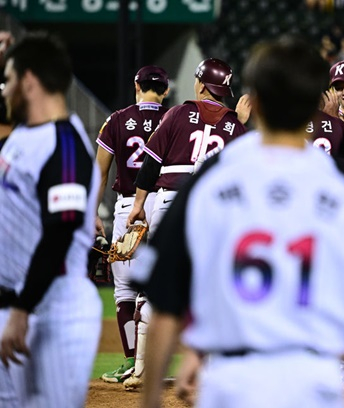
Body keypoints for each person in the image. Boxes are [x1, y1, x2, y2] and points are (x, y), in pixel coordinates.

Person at [135, 36, 344, 408]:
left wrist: (159, 390)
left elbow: (165, 304)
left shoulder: (212, 179)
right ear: (316, 105)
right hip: (313, 384)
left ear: (254, 102)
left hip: (231, 380)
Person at [123, 57, 245, 391]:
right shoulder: (235, 126)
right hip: (213, 210)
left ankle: (142, 371)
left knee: (155, 286)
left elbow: (151, 164)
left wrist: (138, 205)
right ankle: (212, 370)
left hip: (170, 204)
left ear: (201, 84)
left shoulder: (177, 113)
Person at [0, 32, 102, 407]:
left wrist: (22, 309)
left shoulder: (65, 144)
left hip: (51, 313)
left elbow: (62, 229)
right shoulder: (23, 136)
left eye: (8, 79)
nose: (4, 89)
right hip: (16, 307)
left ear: (28, 81)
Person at [94, 65, 170, 384]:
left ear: (136, 86)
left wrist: (93, 213)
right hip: (164, 204)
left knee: (125, 288)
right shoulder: (174, 118)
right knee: (158, 286)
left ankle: (132, 361)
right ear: (165, 90)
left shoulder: (117, 120)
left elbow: (100, 171)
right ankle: (155, 361)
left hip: (130, 207)